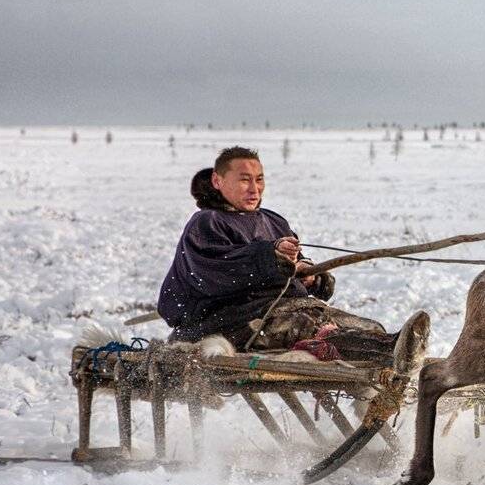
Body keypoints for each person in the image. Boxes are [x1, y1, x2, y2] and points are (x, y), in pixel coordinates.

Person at [157, 146, 404, 360]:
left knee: (364, 326)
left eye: (259, 179)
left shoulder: (273, 221)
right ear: (217, 181)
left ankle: (393, 346)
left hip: (285, 309)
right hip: (229, 320)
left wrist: (308, 274)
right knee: (308, 327)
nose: (254, 189)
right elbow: (218, 272)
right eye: (244, 180)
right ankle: (389, 350)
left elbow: (294, 264)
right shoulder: (206, 223)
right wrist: (272, 257)